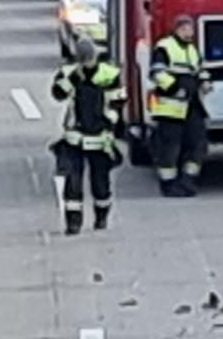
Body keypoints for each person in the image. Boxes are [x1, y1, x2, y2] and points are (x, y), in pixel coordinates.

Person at [51, 25, 129, 234]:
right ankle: (73, 223)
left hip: (100, 138)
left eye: (89, 59)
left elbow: (118, 102)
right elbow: (58, 94)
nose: (86, 63)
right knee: (72, 183)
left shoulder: (109, 74)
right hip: (74, 138)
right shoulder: (68, 73)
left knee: (100, 183)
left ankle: (101, 217)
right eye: (83, 59)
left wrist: (110, 126)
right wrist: (74, 78)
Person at [144, 22, 208, 196]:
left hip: (191, 105)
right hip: (169, 108)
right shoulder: (164, 47)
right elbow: (157, 73)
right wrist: (174, 89)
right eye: (185, 29)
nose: (189, 32)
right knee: (169, 147)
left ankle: (188, 180)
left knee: (198, 143)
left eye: (191, 29)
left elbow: (200, 71)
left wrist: (205, 82)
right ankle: (169, 184)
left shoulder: (193, 50)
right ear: (177, 30)